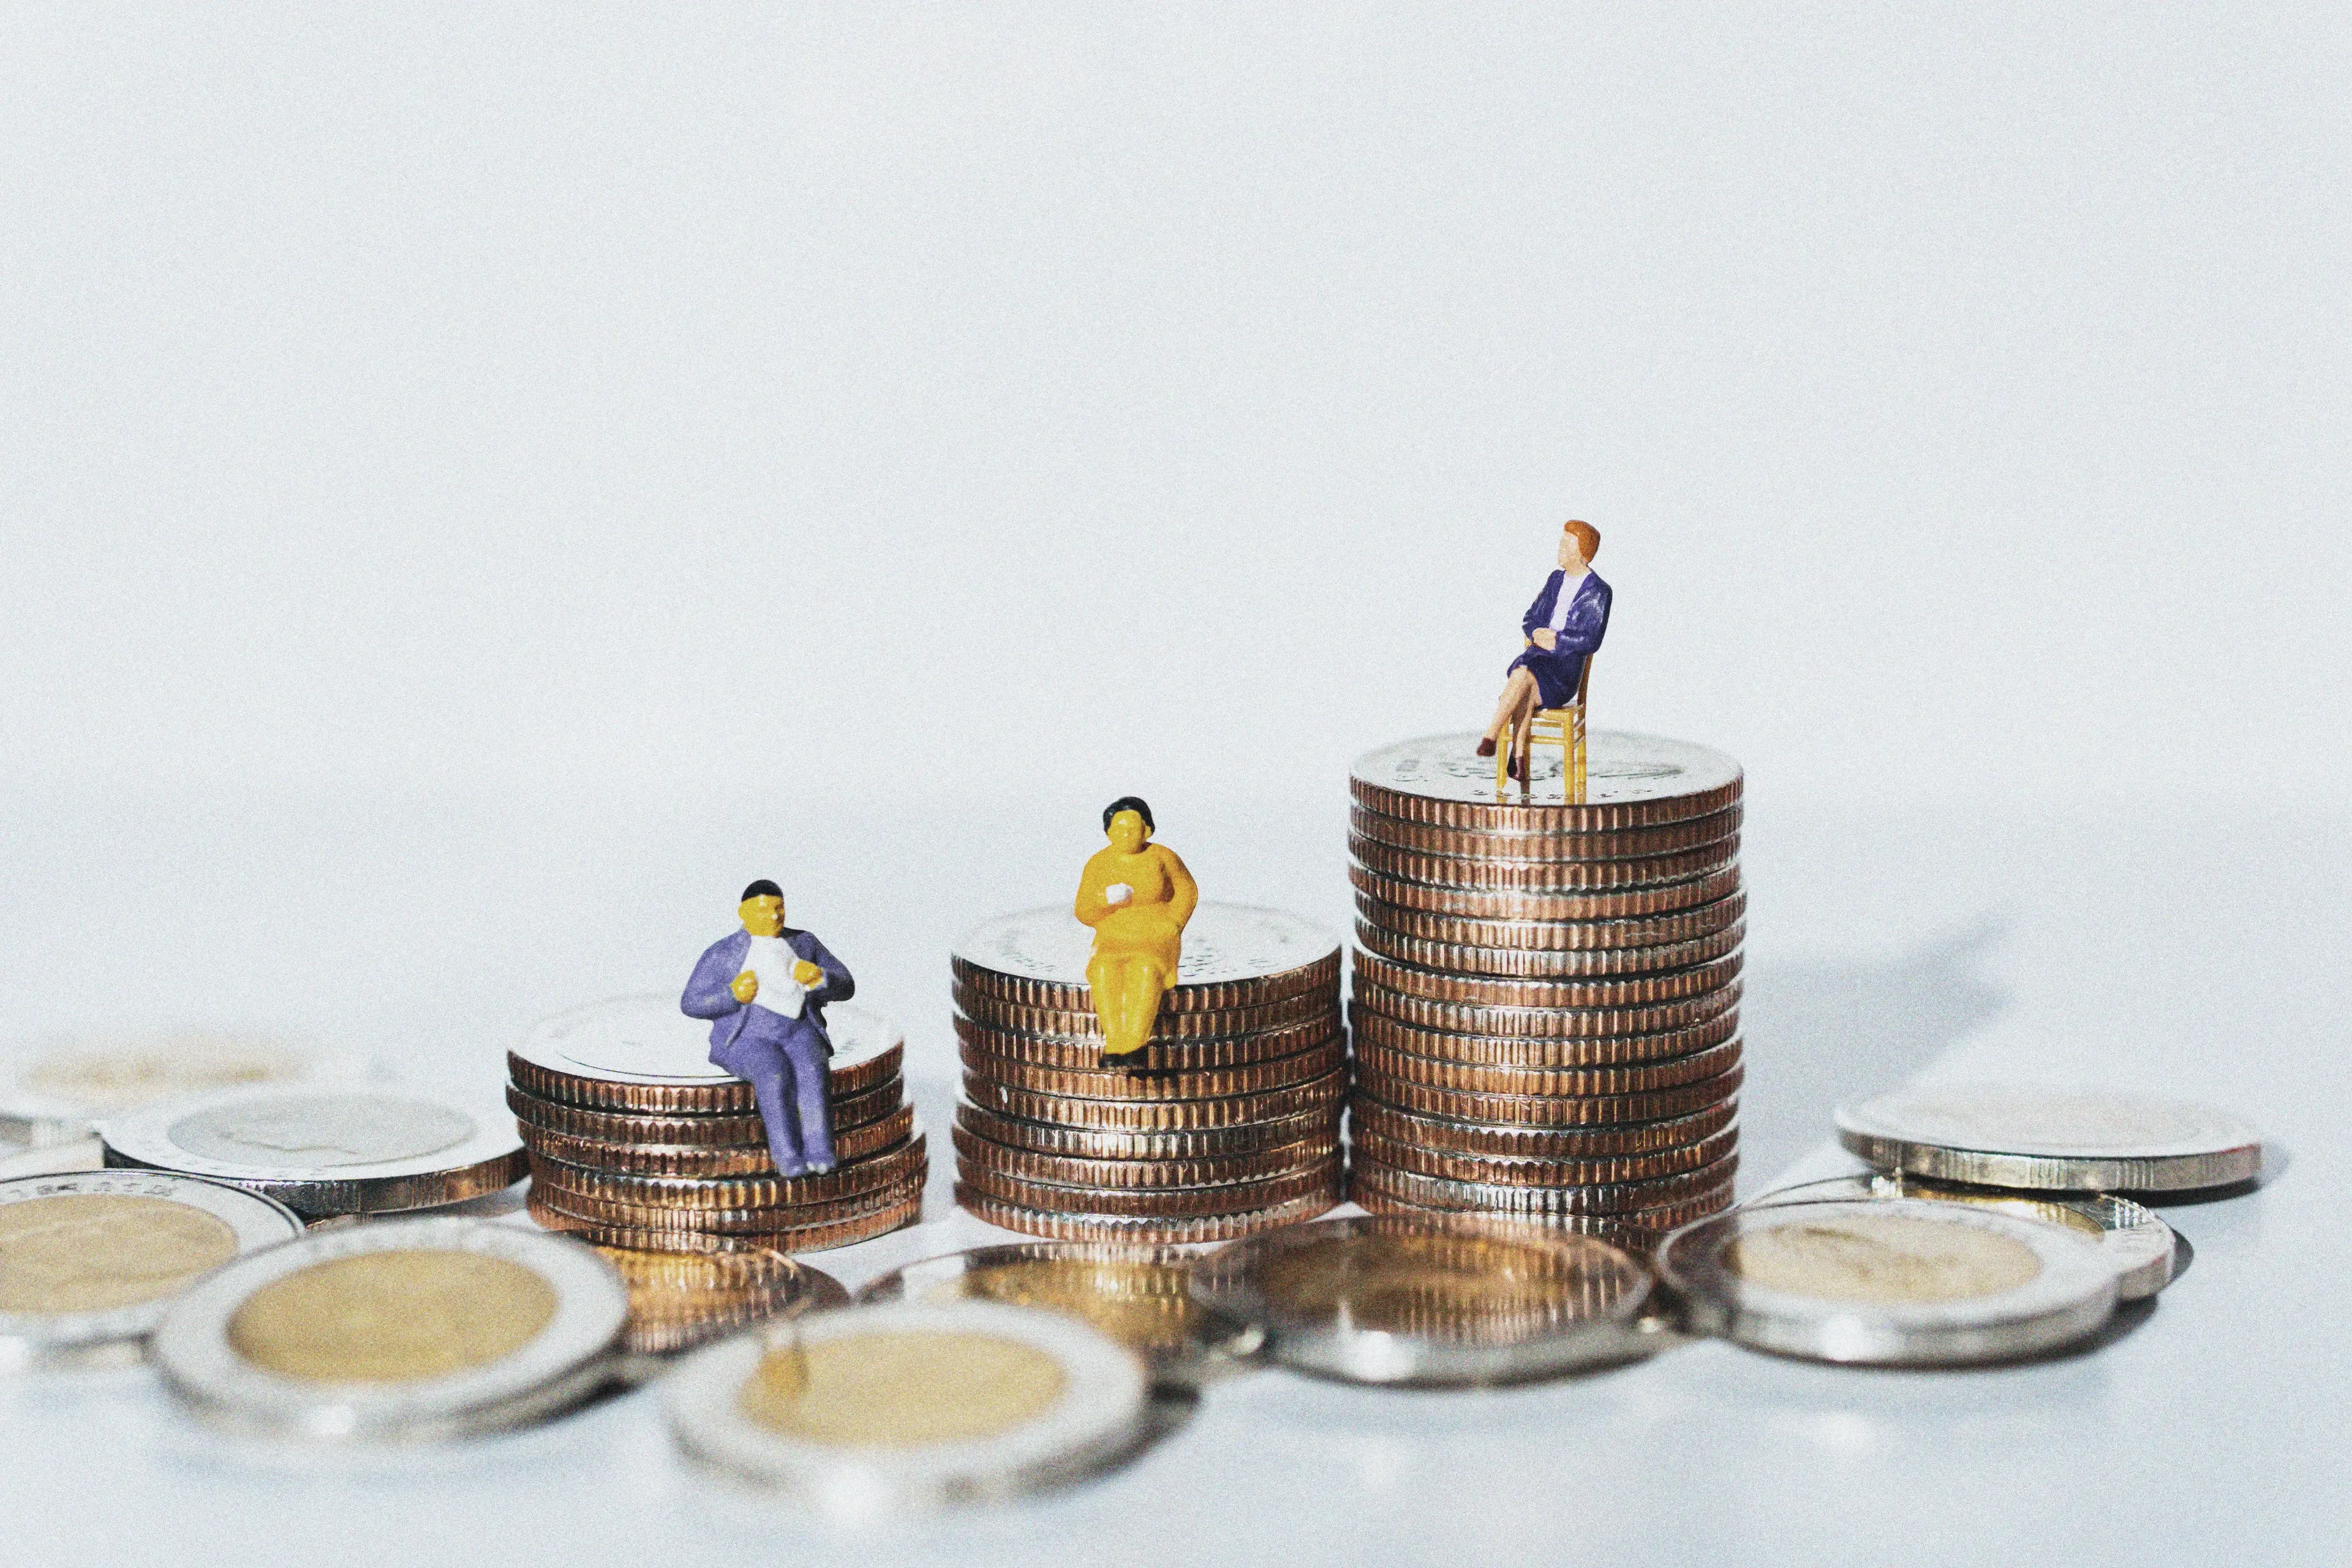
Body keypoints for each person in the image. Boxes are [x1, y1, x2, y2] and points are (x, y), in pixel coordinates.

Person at [680, 880, 854, 1177]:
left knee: (813, 1068)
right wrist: (732, 996)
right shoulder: (724, 952)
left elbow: (846, 984)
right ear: (743, 914)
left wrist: (819, 978)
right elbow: (691, 1002)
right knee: (774, 1073)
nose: (774, 917)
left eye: (779, 909)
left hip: (799, 1029)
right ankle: (788, 1158)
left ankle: (821, 1151)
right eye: (763, 911)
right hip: (747, 1037)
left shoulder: (805, 943)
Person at [1479, 519, 1611, 780]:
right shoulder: (1555, 580)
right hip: (1537, 657)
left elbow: (1591, 639)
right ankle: (1516, 760)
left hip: (1563, 671)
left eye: (1566, 544)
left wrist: (1558, 641)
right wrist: (1537, 633)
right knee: (1524, 677)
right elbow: (1529, 619)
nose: (1559, 548)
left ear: (1583, 552)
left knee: (1523, 679)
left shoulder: (1599, 591)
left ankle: (1492, 737)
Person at [1073, 797, 1199, 1064]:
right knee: (1104, 970)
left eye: (1132, 828)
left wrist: (1175, 922)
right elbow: (1082, 910)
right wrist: (1104, 901)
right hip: (1113, 935)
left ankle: (1135, 1042)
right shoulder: (1098, 863)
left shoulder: (1162, 857)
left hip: (1154, 934)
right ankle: (1115, 1040)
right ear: (1108, 833)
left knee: (1144, 968)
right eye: (1118, 829)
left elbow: (1187, 890)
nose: (1126, 834)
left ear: (1148, 830)